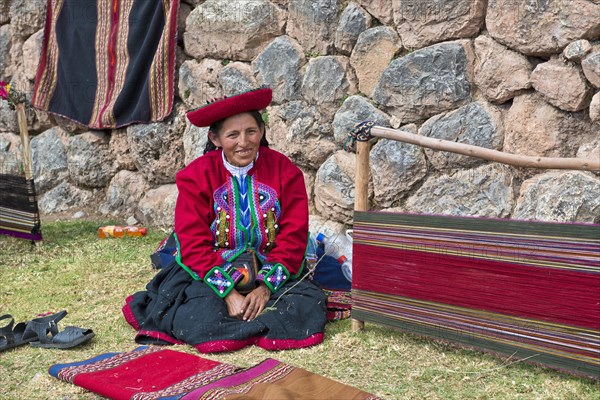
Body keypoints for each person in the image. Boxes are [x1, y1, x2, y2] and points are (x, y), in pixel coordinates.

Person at [123, 88, 327, 353]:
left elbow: (294, 236)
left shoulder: (285, 172)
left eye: (251, 131)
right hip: (211, 271)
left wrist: (265, 288)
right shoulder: (196, 176)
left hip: (272, 267)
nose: (244, 142)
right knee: (198, 313)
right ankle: (244, 318)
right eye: (232, 135)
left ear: (262, 131)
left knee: (305, 305)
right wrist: (228, 293)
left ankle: (252, 316)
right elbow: (193, 242)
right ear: (215, 138)